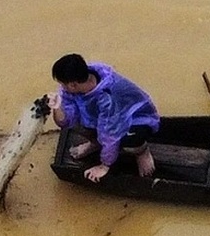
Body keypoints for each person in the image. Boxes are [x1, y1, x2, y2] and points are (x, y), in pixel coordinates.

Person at [47, 54, 162, 183]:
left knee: (129, 141)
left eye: (63, 84)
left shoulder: (107, 97)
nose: (61, 87)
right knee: (74, 124)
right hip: (101, 118)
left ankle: (142, 151)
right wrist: (57, 107)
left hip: (134, 118)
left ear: (73, 85)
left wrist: (105, 165)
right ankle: (95, 143)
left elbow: (111, 133)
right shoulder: (71, 87)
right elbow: (66, 121)